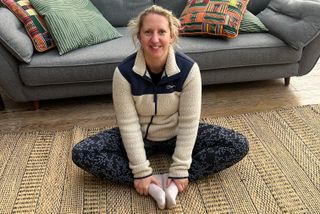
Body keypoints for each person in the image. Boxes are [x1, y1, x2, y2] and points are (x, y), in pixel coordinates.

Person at [72, 5, 249, 210]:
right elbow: (128, 125)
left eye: (162, 32)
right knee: (83, 153)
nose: (155, 39)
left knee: (237, 144)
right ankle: (152, 183)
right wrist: (141, 173)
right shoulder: (123, 73)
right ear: (139, 36)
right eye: (148, 32)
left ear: (172, 35)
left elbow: (189, 122)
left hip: (177, 133)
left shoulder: (189, 70)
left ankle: (173, 181)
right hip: (141, 136)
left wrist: (181, 170)